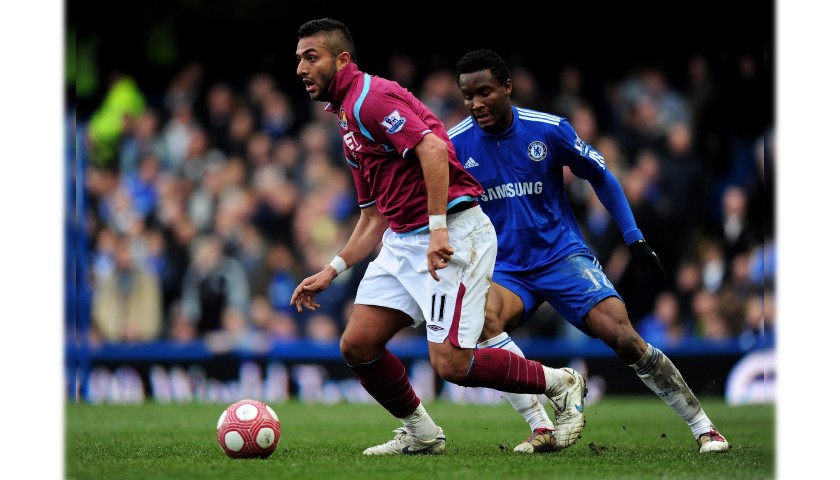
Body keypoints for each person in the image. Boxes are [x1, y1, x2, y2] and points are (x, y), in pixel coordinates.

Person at [290, 19, 586, 456]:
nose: (300, 67)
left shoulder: (370, 100)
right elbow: (372, 216)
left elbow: (430, 147)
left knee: (451, 364)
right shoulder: (345, 117)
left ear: (342, 60)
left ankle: (561, 382)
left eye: (310, 57)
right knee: (358, 344)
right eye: (298, 59)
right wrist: (332, 270)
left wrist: (437, 231)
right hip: (403, 240)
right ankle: (422, 433)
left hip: (454, 234)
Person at [448, 49, 730, 454]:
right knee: (480, 323)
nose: (476, 103)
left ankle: (705, 427)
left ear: (507, 88)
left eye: (484, 92)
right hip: (507, 267)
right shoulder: (455, 144)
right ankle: (541, 425)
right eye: (467, 96)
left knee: (623, 337)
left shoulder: (548, 130)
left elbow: (602, 177)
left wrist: (633, 237)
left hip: (561, 257)